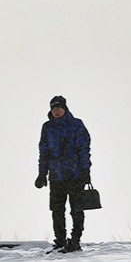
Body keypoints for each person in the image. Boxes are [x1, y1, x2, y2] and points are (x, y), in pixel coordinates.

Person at [35, 94, 92, 253]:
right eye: (53, 108)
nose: (56, 110)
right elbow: (43, 152)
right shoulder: (47, 127)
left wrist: (85, 170)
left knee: (77, 209)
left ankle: (75, 241)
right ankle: (60, 241)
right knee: (56, 210)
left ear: (64, 108)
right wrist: (42, 174)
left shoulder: (76, 125)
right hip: (56, 176)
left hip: (75, 174)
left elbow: (84, 149)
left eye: (59, 107)